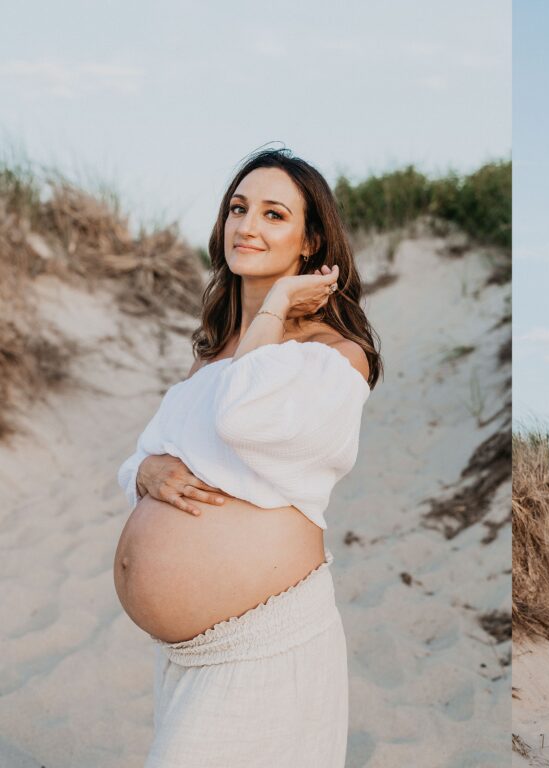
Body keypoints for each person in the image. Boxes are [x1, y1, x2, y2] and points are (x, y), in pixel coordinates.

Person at [113, 146, 381, 766]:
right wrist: (146, 473)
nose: (248, 226)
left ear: (311, 241)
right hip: (184, 657)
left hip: (263, 644)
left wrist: (278, 307)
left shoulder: (336, 355)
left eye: (273, 214)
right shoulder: (213, 356)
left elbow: (243, 418)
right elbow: (145, 461)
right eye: (238, 208)